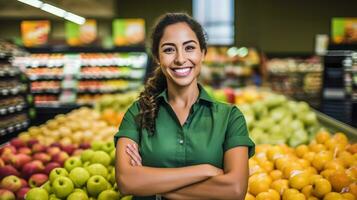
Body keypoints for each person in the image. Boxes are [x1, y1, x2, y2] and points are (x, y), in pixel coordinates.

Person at [114, 13, 255, 200]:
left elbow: (234, 190)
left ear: (203, 53)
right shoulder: (137, 113)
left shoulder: (230, 117)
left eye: (189, 48)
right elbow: (126, 181)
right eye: (169, 50)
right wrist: (205, 170)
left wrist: (151, 184)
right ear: (157, 57)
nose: (180, 59)